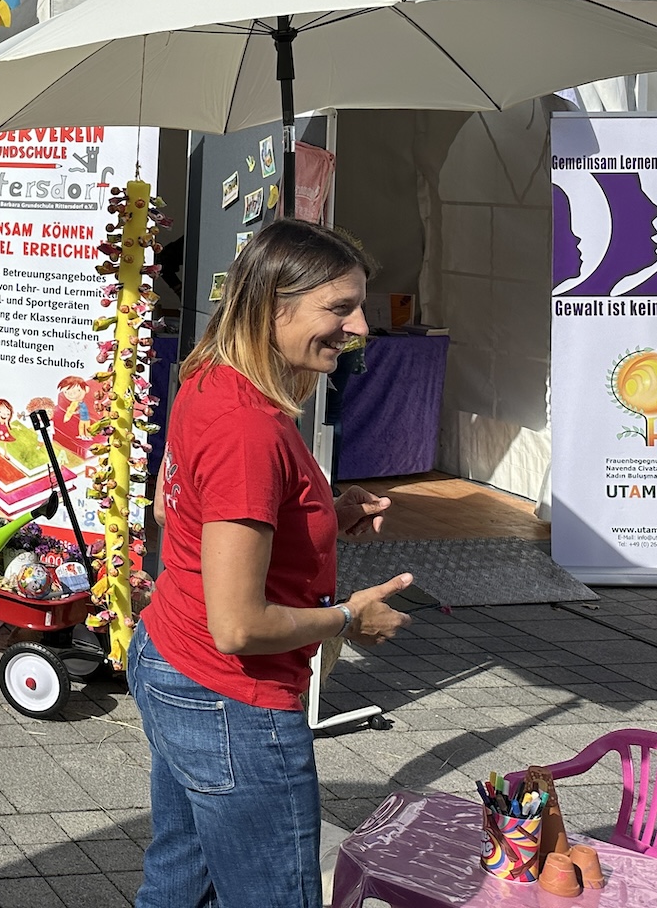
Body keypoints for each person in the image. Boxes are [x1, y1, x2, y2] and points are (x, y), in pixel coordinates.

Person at [133, 219, 412, 908]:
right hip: (231, 695)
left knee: (177, 883)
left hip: (172, 658)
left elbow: (178, 513)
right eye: (339, 307)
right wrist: (349, 618)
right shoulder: (250, 429)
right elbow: (239, 626)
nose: (361, 328)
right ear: (274, 308)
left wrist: (324, 514)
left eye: (360, 306)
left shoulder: (210, 374)